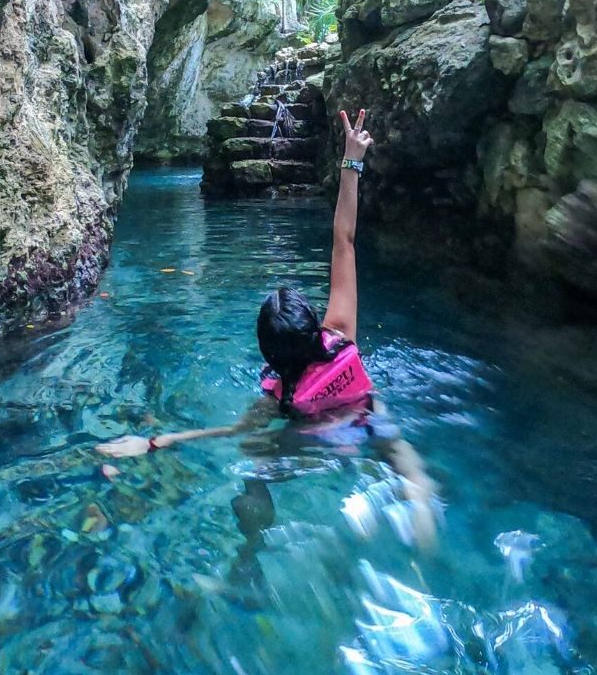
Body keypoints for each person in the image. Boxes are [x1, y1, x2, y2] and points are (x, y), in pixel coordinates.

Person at [96, 109, 437, 547]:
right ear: (315, 326)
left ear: (268, 353)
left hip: (313, 444)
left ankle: (250, 551)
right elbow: (344, 240)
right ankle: (420, 508)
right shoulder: (341, 335)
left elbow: (229, 432)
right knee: (410, 470)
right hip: (369, 419)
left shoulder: (278, 394)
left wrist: (155, 442)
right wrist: (353, 161)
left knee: (256, 467)